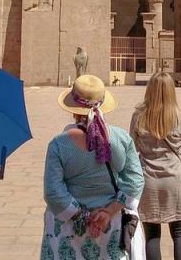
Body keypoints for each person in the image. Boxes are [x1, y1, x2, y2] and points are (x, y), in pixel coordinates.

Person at [41, 74, 144, 260]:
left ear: (73, 109)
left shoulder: (59, 144)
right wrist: (109, 212)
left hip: (69, 230)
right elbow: (135, 181)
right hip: (111, 227)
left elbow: (53, 192)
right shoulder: (121, 138)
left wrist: (82, 217)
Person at [130, 71, 181, 260]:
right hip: (175, 180)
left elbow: (132, 146)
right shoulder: (180, 117)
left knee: (152, 236)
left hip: (149, 179)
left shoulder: (139, 116)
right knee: (179, 234)